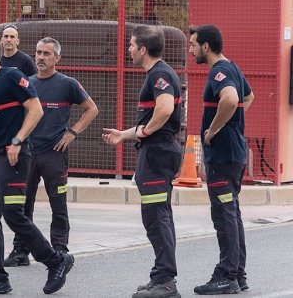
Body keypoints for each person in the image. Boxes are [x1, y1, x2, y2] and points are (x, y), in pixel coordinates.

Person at [0, 34, 74, 295]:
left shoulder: (12, 77)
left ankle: (55, 260)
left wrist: (17, 140)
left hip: (13, 156)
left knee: (13, 213)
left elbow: (35, 109)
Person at [102, 26, 184, 298]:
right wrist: (123, 135)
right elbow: (150, 119)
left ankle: (165, 282)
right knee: (159, 216)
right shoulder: (158, 73)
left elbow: (165, 109)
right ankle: (162, 276)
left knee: (156, 218)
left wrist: (146, 132)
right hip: (158, 150)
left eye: (131, 45)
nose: (128, 49)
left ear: (143, 50)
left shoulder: (159, 74)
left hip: (158, 152)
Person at [6, 38, 98, 265]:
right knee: (22, 205)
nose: (40, 57)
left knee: (58, 204)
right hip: (28, 153)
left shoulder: (68, 84)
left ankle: (60, 250)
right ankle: (20, 251)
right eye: (38, 53)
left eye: (46, 54)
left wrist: (72, 133)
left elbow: (91, 109)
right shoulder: (26, 83)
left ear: (57, 58)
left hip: (55, 154)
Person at [188, 25, 254, 295]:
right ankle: (237, 274)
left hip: (223, 156)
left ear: (205, 46)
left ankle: (228, 275)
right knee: (232, 214)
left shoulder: (219, 71)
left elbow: (232, 98)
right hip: (234, 153)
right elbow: (249, 96)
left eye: (193, 44)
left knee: (224, 215)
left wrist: (215, 129)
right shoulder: (232, 67)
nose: (190, 49)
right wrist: (233, 124)